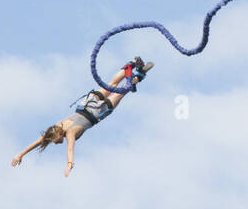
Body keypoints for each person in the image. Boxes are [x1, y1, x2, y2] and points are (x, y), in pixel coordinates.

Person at [11, 58, 153, 177]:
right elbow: (40, 140)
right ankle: (131, 64)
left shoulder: (70, 133)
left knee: (121, 92)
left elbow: (70, 149)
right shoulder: (58, 125)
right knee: (111, 85)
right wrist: (20, 154)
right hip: (85, 104)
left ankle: (137, 77)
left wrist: (69, 165)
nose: (57, 143)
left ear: (59, 135)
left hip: (96, 111)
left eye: (56, 141)